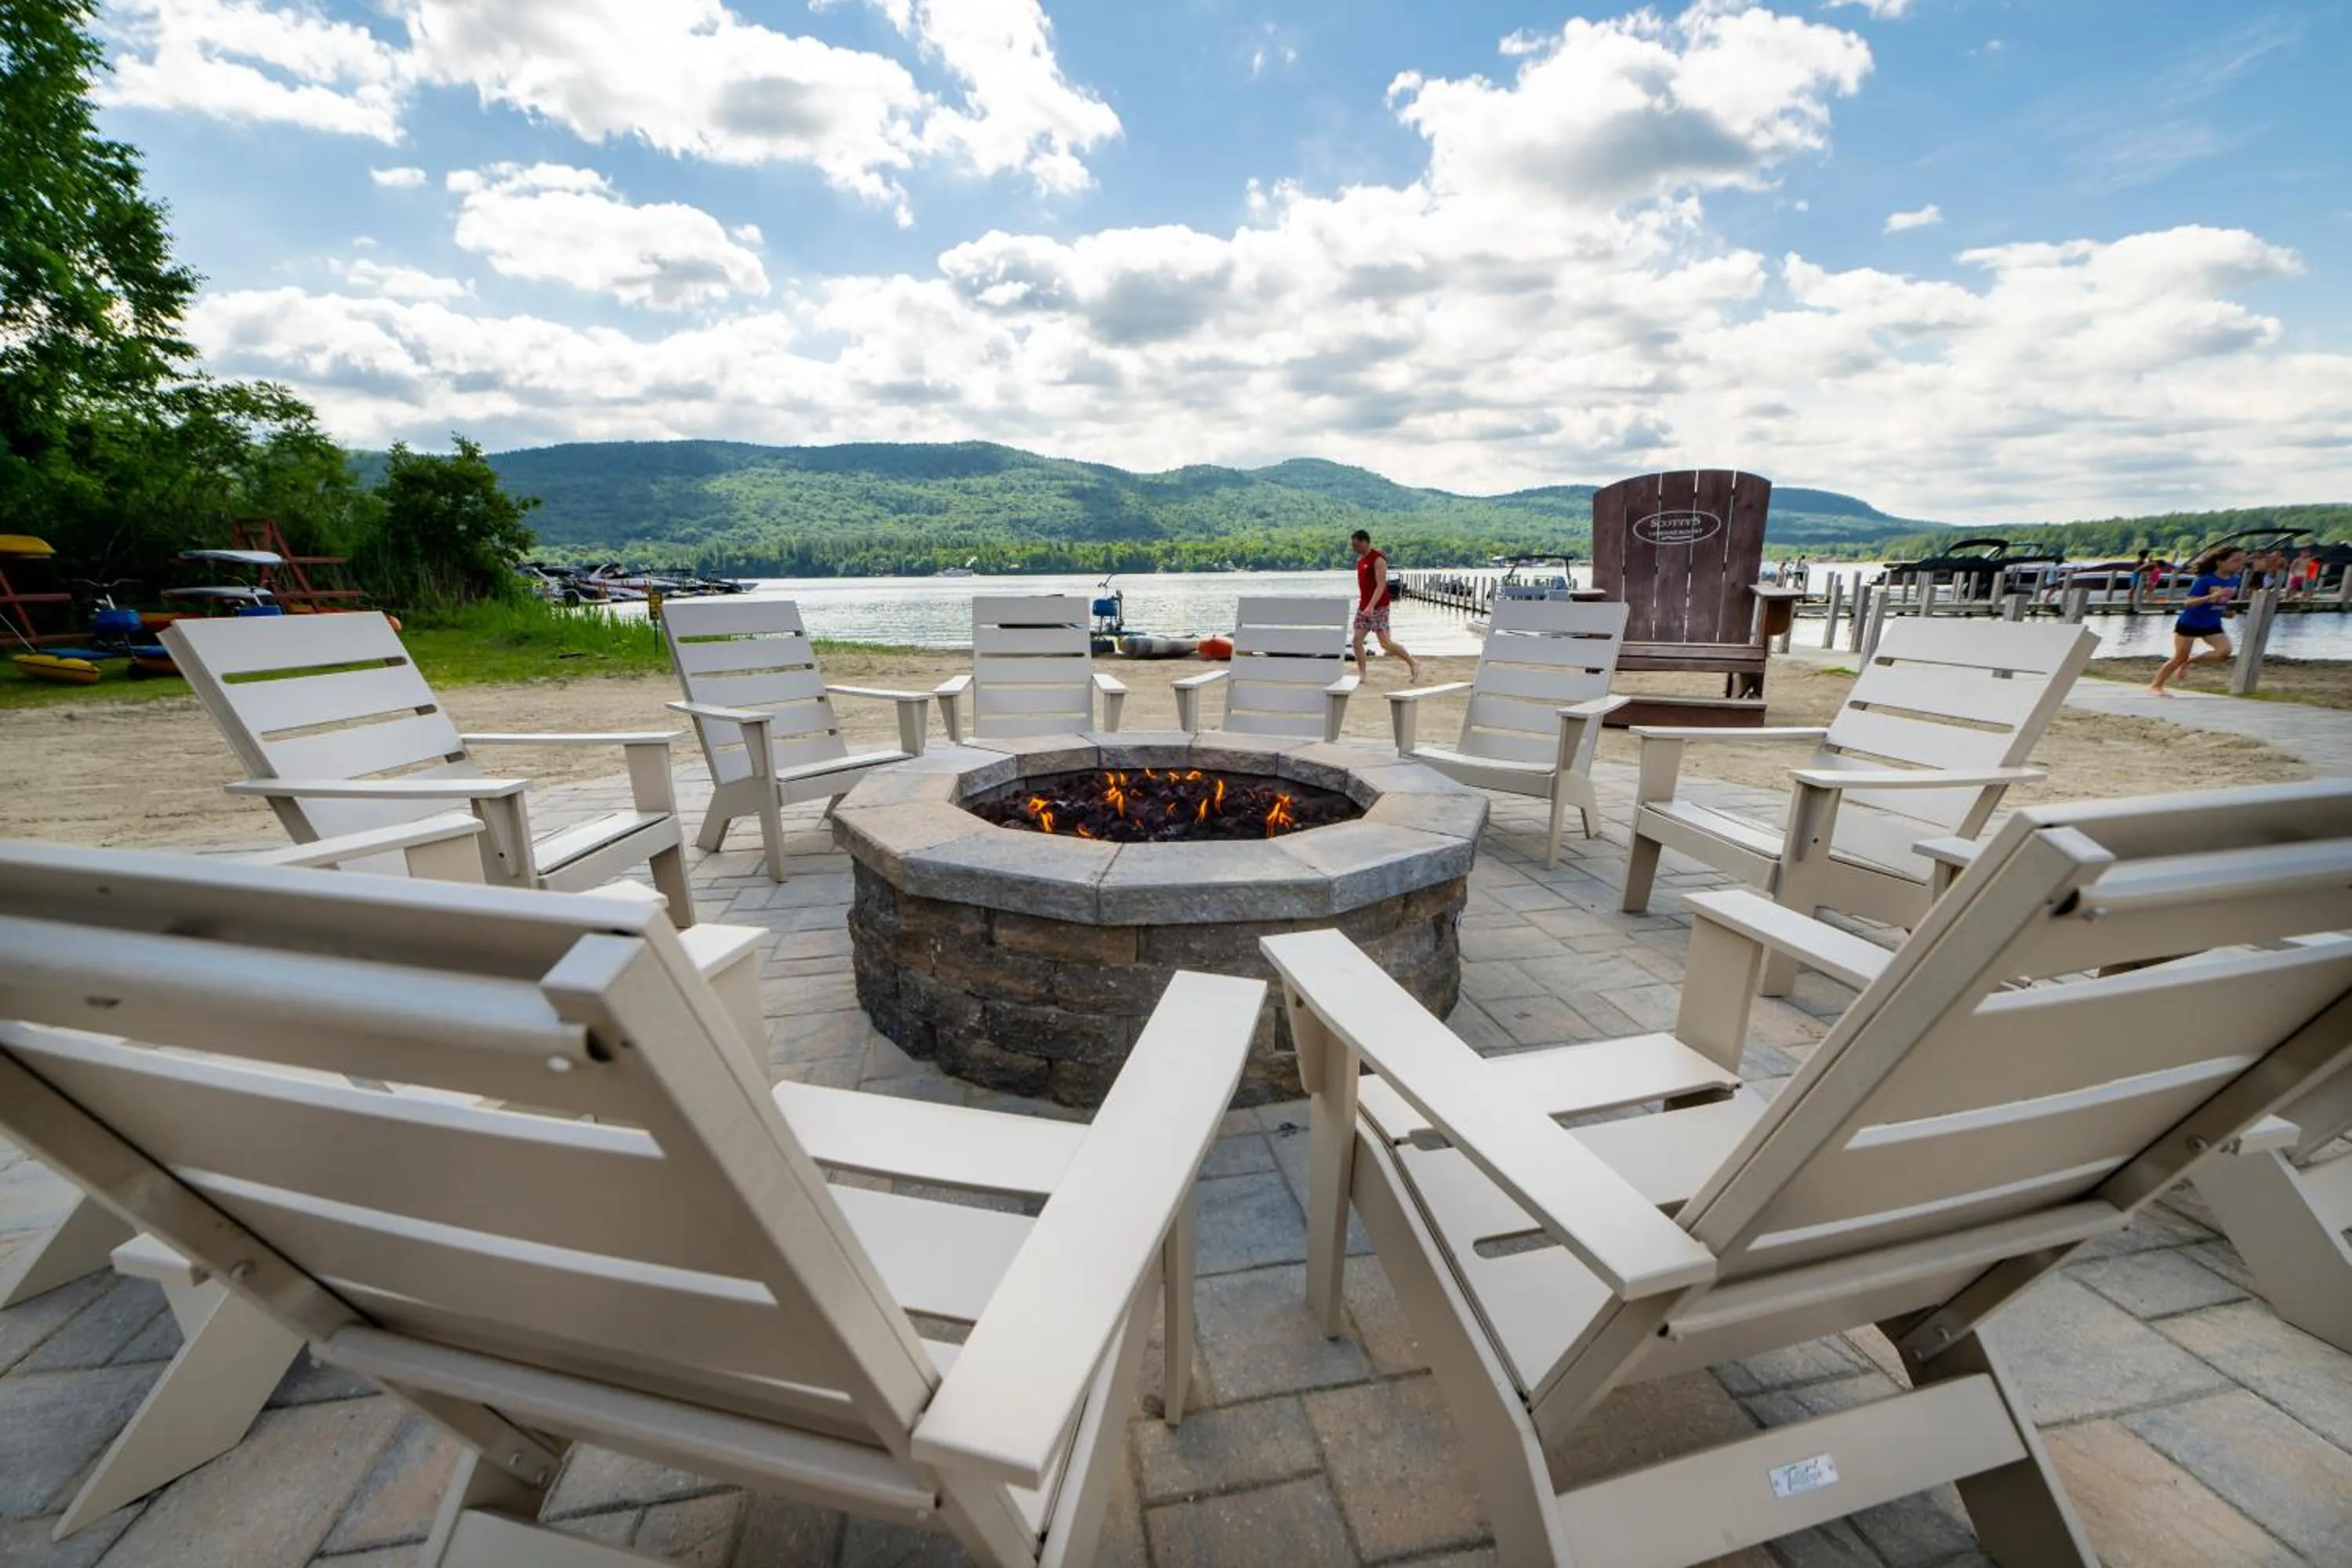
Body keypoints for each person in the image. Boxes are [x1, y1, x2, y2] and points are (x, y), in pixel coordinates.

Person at [2147, 546, 2245, 697]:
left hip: (2212, 624)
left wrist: (2225, 612)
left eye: (2242, 560)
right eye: (2235, 560)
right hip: (2190, 623)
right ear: (2220, 562)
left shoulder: (2235, 580)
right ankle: (2156, 686)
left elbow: (2218, 603)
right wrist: (2210, 597)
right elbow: (2189, 603)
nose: (2240, 563)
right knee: (2179, 657)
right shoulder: (2205, 579)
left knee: (2224, 652)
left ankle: (2190, 662)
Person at [1348, 528, 1421, 682]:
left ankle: (1413, 663)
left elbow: (1381, 585)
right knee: (1356, 641)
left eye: (1355, 545)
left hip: (1379, 607)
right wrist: (1365, 606)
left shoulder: (1378, 559)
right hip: (1364, 606)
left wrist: (1371, 606)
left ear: (1364, 542)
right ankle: (1362, 675)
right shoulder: (1360, 560)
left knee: (1385, 644)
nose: (1353, 548)